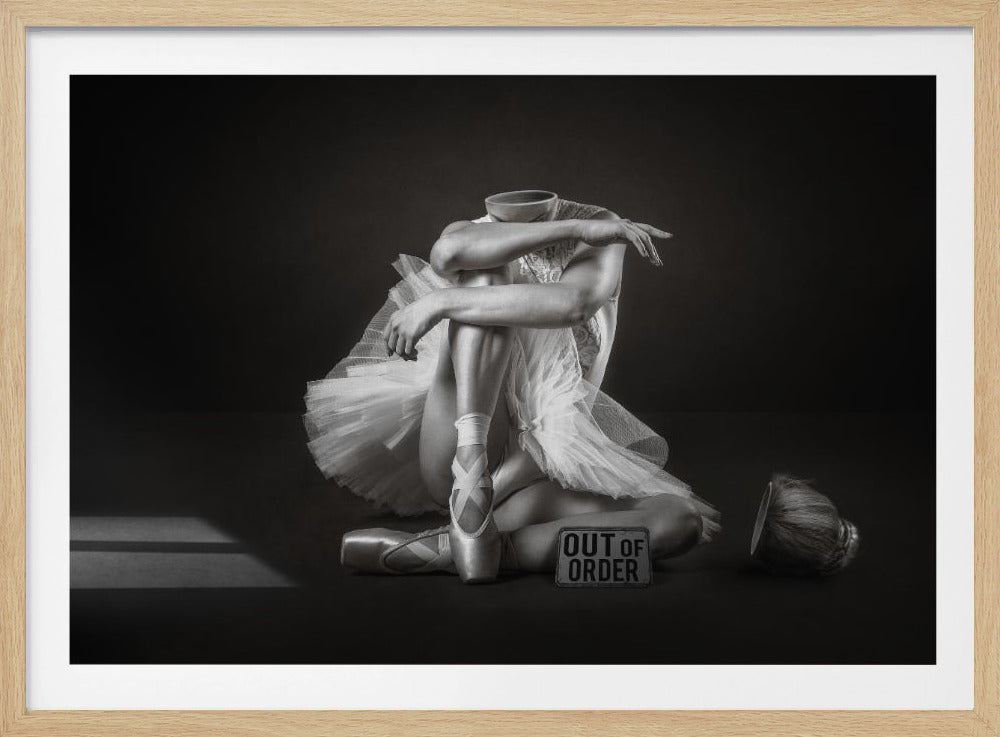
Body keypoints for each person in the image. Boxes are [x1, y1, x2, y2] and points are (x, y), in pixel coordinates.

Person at [304, 190, 719, 583]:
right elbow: (447, 253)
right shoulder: (469, 231)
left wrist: (439, 302)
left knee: (678, 521)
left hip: (541, 469)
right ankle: (472, 483)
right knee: (485, 278)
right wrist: (568, 229)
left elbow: (573, 304)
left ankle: (473, 550)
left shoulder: (601, 227)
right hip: (462, 448)